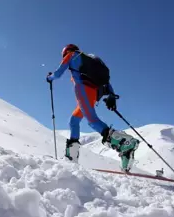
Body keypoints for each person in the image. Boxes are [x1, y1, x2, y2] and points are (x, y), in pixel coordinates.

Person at [46, 44, 139, 172]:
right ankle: (72, 157)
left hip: (83, 90)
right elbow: (106, 81)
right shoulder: (92, 58)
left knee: (92, 121)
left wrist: (49, 77)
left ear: (66, 52)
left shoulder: (71, 55)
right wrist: (111, 96)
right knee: (74, 120)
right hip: (94, 94)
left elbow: (58, 74)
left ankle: (125, 143)